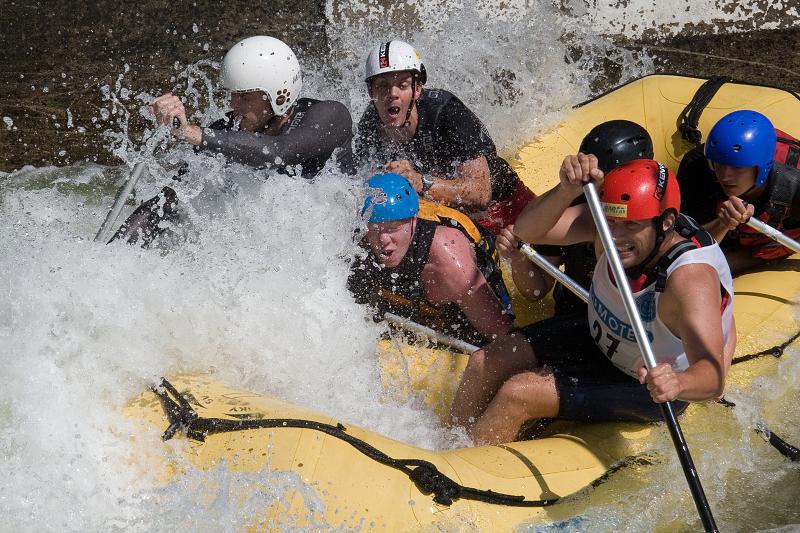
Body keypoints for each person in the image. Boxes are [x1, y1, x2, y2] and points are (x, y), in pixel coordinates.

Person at [450, 157, 736, 445]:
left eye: (632, 225)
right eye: (611, 223)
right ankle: (449, 445)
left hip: (645, 381)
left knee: (518, 393)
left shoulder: (689, 280)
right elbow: (526, 231)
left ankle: (468, 466)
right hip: (603, 338)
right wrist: (565, 191)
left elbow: (712, 377)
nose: (616, 237)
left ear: (666, 222)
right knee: (483, 362)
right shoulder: (605, 225)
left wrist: (677, 382)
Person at [111, 35, 354, 246]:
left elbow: (278, 152)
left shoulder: (330, 115)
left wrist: (193, 133)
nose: (232, 105)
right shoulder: (227, 129)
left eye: (244, 97)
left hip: (337, 250)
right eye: (232, 95)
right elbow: (169, 200)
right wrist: (112, 255)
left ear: (278, 96)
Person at [353, 40, 535, 235]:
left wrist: (420, 181)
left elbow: (481, 193)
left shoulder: (447, 113)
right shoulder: (369, 128)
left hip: (504, 209)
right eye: (382, 86)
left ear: (417, 89)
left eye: (402, 85)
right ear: (371, 92)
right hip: (446, 220)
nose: (392, 94)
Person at [348, 173, 529, 358]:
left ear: (413, 221)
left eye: (393, 227)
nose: (383, 240)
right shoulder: (357, 242)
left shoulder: (450, 261)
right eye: (375, 228)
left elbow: (507, 339)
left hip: (470, 269)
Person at [497, 120, 654, 317]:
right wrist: (519, 259)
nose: (599, 192)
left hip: (636, 320)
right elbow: (536, 290)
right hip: (579, 314)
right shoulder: (579, 210)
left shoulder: (659, 218)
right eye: (595, 181)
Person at [677, 110, 800, 274]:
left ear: (762, 168)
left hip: (780, 240)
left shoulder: (795, 184)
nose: (725, 176)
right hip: (731, 243)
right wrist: (723, 223)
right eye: (719, 164)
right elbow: (685, 250)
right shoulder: (697, 168)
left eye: (737, 167)